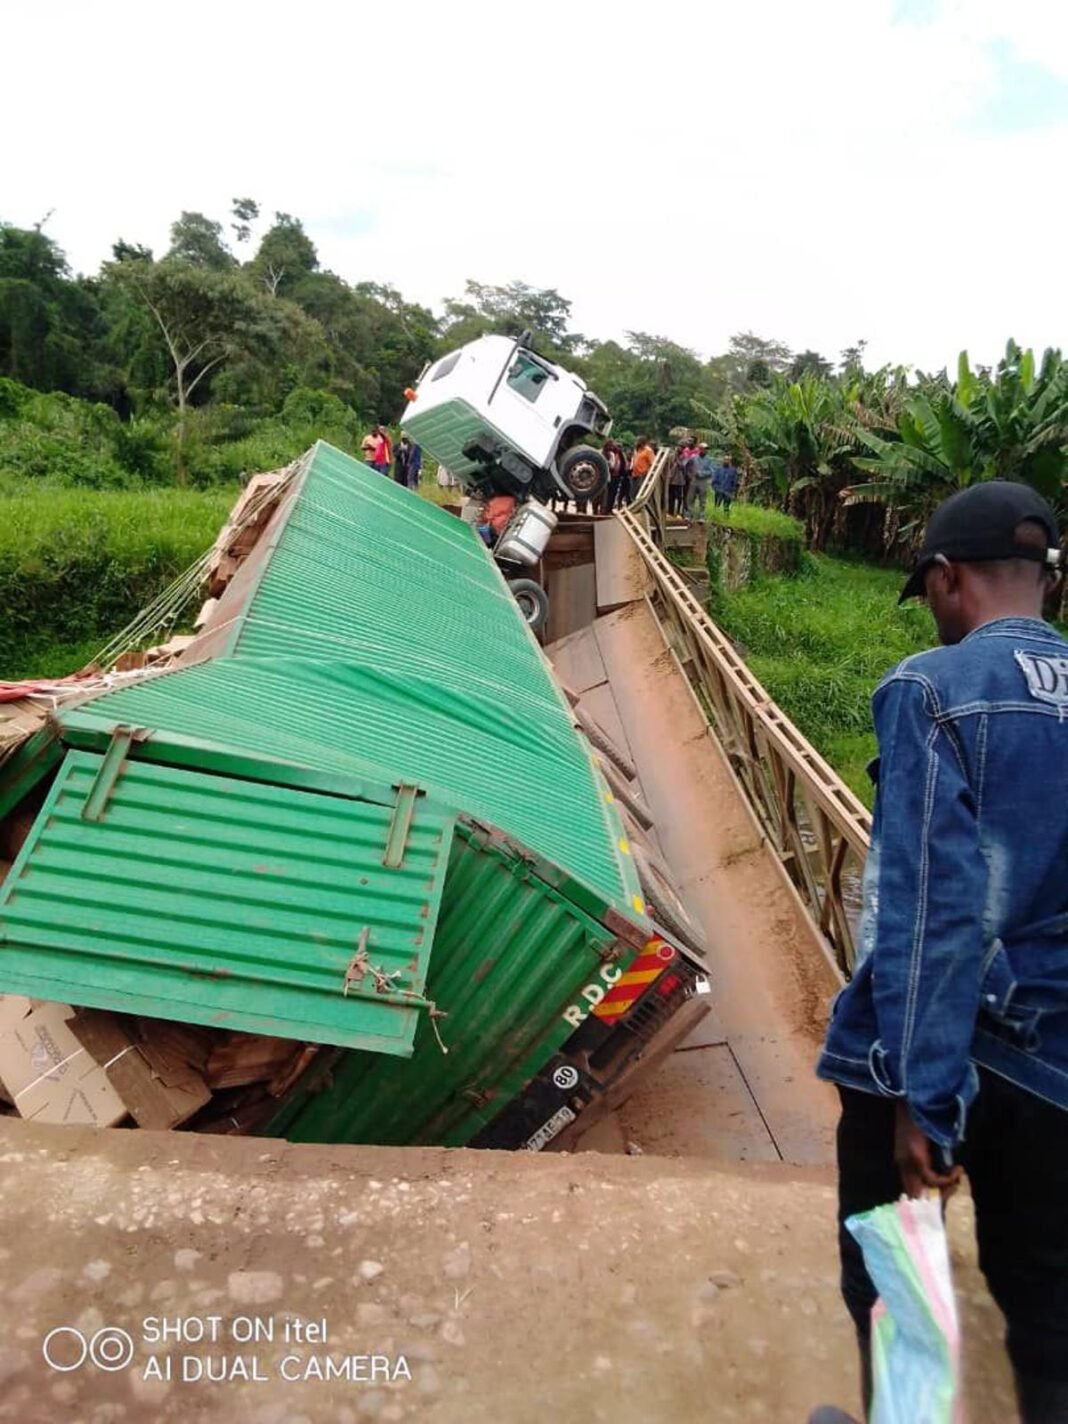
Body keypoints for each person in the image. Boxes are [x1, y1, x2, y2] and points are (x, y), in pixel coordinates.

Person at [811, 482, 1068, 1424]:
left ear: (948, 578)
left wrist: (925, 1099)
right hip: (1057, 1063)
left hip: (924, 1053)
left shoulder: (933, 689)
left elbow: (931, 910)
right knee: (1047, 1296)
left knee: (897, 1273)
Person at [684, 443, 716, 521]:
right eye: (703, 449)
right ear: (699, 449)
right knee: (690, 498)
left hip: (703, 481)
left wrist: (702, 473)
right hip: (694, 480)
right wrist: (689, 475)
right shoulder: (693, 458)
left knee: (702, 500)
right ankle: (689, 515)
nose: (704, 451)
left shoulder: (709, 460)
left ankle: (701, 516)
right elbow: (686, 466)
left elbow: (712, 471)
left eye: (706, 449)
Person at [602, 439, 628, 513]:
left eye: (620, 446)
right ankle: (605, 508)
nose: (619, 448)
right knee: (607, 493)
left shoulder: (621, 455)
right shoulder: (610, 454)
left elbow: (624, 464)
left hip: (617, 476)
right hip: (609, 476)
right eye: (617, 446)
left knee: (613, 493)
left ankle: (609, 509)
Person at [630, 439, 655, 504]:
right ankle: (633, 506)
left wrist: (647, 472)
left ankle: (639, 507)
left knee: (640, 492)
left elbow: (652, 463)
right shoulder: (638, 450)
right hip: (635, 474)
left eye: (637, 442)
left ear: (642, 443)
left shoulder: (648, 451)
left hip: (643, 475)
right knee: (633, 492)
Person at [667, 444, 689, 517]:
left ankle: (678, 512)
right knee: (671, 497)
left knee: (679, 498)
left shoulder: (684, 457)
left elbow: (682, 466)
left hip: (680, 481)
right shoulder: (671, 456)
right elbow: (668, 466)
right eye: (678, 447)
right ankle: (670, 512)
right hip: (671, 480)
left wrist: (677, 459)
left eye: (681, 448)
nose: (679, 449)